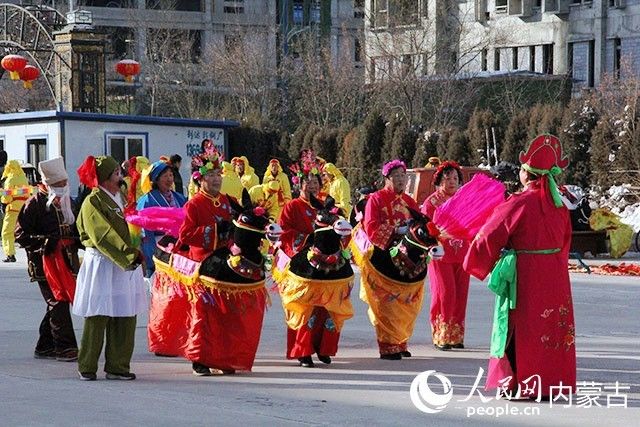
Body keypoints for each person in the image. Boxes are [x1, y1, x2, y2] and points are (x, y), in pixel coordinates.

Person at [463, 134, 576, 396]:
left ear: (528, 174)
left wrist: (475, 260)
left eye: (523, 169)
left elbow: (490, 234)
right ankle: (549, 383)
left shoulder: (519, 202)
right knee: (550, 327)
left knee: (520, 327)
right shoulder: (559, 206)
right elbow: (565, 244)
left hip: (525, 274)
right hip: (554, 276)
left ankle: (518, 384)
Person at [73, 155, 148, 381]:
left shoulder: (123, 196)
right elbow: (101, 235)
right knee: (98, 313)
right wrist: (128, 255)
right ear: (105, 178)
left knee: (126, 313)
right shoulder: (93, 202)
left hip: (127, 262)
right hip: (105, 263)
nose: (120, 176)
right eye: (116, 173)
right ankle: (87, 365)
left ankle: (118, 366)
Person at [176, 147, 238, 375]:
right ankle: (200, 359)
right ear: (199, 179)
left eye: (218, 174)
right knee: (203, 314)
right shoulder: (194, 204)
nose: (215, 179)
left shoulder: (227, 202)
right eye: (210, 175)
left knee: (226, 314)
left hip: (226, 263)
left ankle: (222, 358)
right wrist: (213, 230)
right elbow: (185, 235)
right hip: (204, 265)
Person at [15, 157, 79, 362]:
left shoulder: (69, 200)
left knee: (57, 302)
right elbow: (20, 235)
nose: (63, 186)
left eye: (64, 182)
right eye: (59, 183)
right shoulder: (34, 203)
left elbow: (75, 228)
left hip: (67, 261)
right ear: (48, 184)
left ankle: (45, 345)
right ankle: (65, 347)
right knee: (57, 302)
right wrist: (45, 244)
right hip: (45, 263)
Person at [361, 159, 422, 359]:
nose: (401, 180)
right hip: (383, 257)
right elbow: (370, 227)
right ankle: (387, 345)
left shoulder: (410, 202)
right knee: (387, 303)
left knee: (406, 303)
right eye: (396, 176)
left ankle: (400, 342)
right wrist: (396, 230)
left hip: (406, 259)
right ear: (387, 178)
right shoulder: (376, 199)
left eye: (403, 176)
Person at [420, 161, 470, 350]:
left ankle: (456, 336)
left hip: (462, 253)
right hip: (441, 254)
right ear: (439, 181)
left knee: (460, 294)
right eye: (447, 178)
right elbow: (424, 228)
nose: (452, 182)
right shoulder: (431, 202)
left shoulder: (464, 199)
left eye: (455, 178)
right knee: (445, 293)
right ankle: (441, 334)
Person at [136, 160, 187, 277]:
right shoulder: (147, 201)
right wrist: (151, 256)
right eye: (165, 176)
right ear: (156, 179)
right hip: (158, 247)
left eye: (171, 175)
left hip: (179, 248)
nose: (169, 179)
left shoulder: (179, 198)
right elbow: (145, 232)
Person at [278, 160, 322, 258]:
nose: (312, 186)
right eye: (308, 183)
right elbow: (283, 230)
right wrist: (307, 239)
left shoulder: (323, 205)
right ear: (300, 186)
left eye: (315, 182)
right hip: (299, 252)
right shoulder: (292, 206)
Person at [2, 160, 30, 262]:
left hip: (13, 208)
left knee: (7, 232)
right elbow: (28, 193)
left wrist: (4, 201)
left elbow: (7, 197)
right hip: (23, 208)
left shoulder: (10, 179)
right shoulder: (24, 178)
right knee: (24, 230)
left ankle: (10, 254)